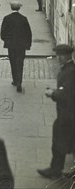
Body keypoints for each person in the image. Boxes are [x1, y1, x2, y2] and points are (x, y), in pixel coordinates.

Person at [37, 44, 75, 179]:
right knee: (64, 142)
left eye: (60, 55)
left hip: (67, 115)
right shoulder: (68, 69)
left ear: (66, 56)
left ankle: (55, 170)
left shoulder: (69, 72)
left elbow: (66, 94)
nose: (58, 58)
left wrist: (52, 94)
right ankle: (57, 169)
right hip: (67, 114)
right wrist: (56, 91)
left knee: (59, 142)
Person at [0, 2, 32, 93]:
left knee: (13, 62)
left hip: (11, 45)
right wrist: (28, 45)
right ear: (19, 8)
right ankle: (19, 82)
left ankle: (15, 80)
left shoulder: (7, 18)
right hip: (21, 46)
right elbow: (28, 33)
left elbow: (3, 33)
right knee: (20, 63)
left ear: (11, 8)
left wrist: (7, 41)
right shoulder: (23, 19)